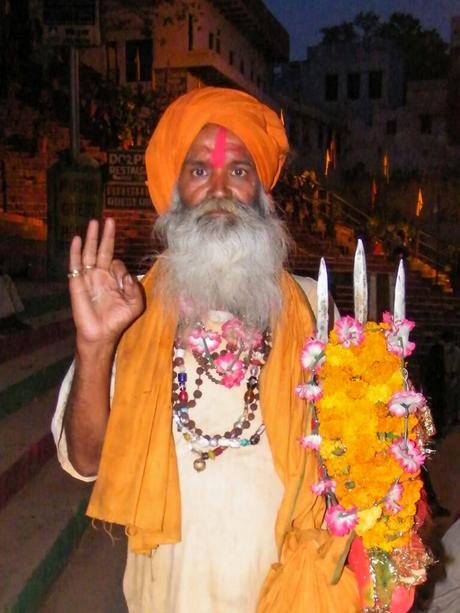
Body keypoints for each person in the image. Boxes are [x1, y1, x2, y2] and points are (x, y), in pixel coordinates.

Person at [52, 87, 363, 612]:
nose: (219, 189)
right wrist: (95, 345)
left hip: (291, 595)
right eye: (199, 172)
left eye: (239, 172)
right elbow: (86, 462)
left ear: (262, 196)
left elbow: (358, 463)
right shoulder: (132, 308)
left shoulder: (314, 310)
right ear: (175, 195)